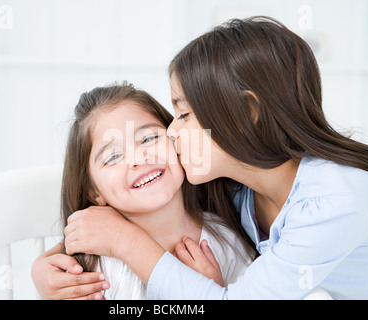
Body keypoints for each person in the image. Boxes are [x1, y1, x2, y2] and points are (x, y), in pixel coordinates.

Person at [63, 17, 368, 299]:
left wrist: (125, 241)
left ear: (246, 112)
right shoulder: (240, 189)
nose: (171, 131)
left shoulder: (333, 203)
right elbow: (152, 216)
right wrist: (52, 263)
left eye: (184, 114)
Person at [32, 82, 254, 299]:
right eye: (113, 157)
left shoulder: (226, 243)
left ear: (176, 140)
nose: (138, 159)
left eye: (148, 138)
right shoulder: (91, 273)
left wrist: (214, 292)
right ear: (94, 193)